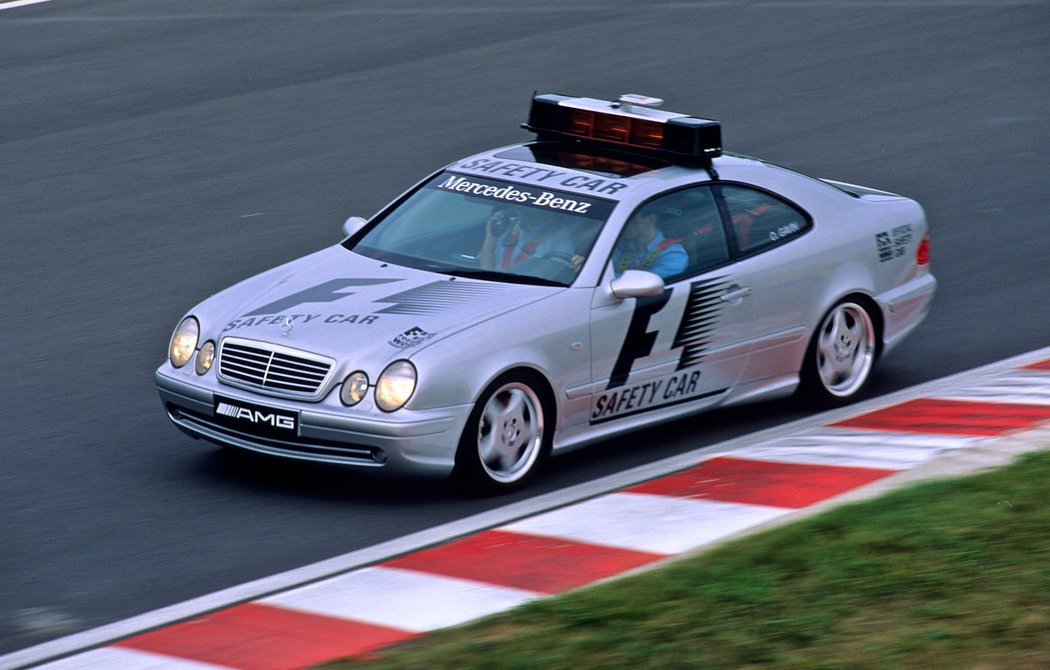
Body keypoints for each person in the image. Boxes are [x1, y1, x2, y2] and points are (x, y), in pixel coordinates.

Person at [478, 206, 577, 272]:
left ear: (543, 212)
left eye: (530, 212)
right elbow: (484, 266)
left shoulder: (558, 234)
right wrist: (490, 238)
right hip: (492, 281)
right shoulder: (506, 224)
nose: (524, 216)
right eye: (520, 210)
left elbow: (554, 273)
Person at [611, 203, 688, 280]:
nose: (625, 226)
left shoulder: (673, 254)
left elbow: (647, 283)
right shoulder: (621, 245)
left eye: (633, 221)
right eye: (623, 222)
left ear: (651, 219)